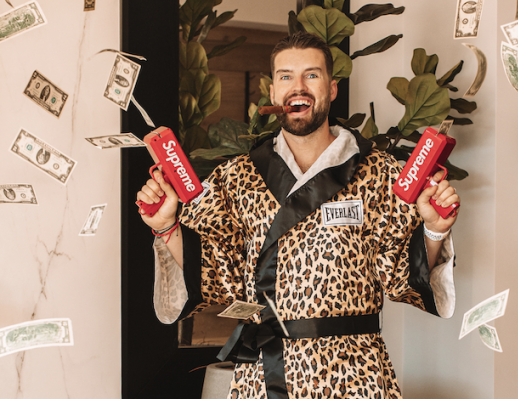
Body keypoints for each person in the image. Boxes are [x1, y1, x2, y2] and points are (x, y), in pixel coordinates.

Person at [136, 31, 459, 399]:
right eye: (286, 76)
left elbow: (403, 275)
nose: (298, 87)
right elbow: (212, 272)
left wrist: (434, 229)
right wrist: (166, 226)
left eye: (312, 74)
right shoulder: (237, 176)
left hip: (354, 373)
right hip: (264, 373)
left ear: (332, 89)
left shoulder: (379, 172)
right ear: (273, 92)